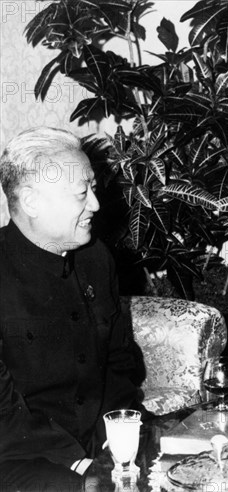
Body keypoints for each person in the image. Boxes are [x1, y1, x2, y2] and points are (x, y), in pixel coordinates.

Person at [0, 127, 144, 490]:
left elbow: (119, 360)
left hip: (98, 441)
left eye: (93, 188)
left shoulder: (96, 258)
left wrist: (117, 433)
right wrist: (77, 462)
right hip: (20, 456)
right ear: (31, 201)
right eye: (82, 193)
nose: (96, 204)